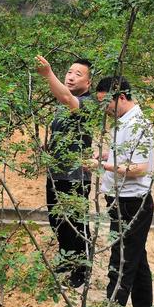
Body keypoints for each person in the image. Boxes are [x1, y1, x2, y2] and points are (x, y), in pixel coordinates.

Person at [94, 76, 154, 307]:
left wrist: (104, 166)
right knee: (137, 260)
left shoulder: (139, 124)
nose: (104, 109)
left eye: (106, 103)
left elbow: (140, 169)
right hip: (120, 201)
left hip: (133, 204)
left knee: (121, 265)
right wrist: (108, 155)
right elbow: (127, 156)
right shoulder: (123, 122)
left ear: (120, 97)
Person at [35, 55, 94, 288]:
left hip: (76, 176)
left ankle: (82, 268)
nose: (70, 77)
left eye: (78, 74)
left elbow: (67, 96)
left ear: (88, 83)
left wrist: (48, 73)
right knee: (57, 219)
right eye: (69, 72)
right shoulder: (62, 106)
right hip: (56, 173)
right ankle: (67, 257)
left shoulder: (87, 104)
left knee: (75, 223)